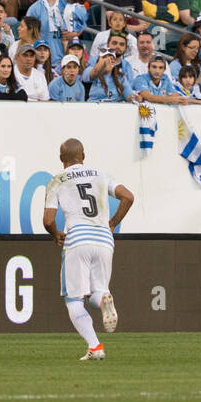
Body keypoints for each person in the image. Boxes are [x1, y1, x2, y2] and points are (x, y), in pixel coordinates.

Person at [42, 137, 135, 361]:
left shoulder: (57, 180)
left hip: (77, 238)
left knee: (74, 300)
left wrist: (55, 234)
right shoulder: (101, 174)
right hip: (104, 238)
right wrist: (112, 223)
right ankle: (104, 299)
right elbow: (128, 197)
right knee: (99, 291)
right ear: (83, 156)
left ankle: (95, 347)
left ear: (61, 159)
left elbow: (47, 220)